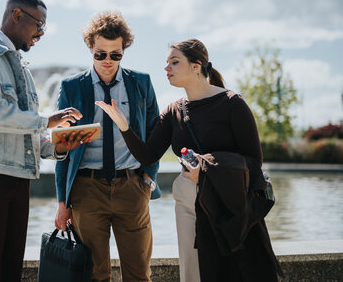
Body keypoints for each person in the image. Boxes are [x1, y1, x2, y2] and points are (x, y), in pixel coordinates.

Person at [96, 39, 283, 281]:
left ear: (196, 66)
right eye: (166, 63)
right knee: (193, 271)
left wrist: (207, 170)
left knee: (232, 270)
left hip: (227, 200)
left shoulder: (232, 104)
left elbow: (254, 163)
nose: (167, 68)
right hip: (187, 199)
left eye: (174, 62)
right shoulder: (174, 110)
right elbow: (148, 155)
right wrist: (123, 125)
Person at [0, 0, 89, 282]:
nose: (41, 33)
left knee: (8, 270)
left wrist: (59, 146)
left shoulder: (21, 68)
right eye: (39, 25)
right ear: (16, 16)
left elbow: (23, 130)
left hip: (15, 179)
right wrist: (46, 120)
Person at [54, 11, 161, 282]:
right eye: (100, 54)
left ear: (124, 51)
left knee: (139, 275)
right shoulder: (71, 87)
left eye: (116, 55)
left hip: (132, 187)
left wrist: (147, 180)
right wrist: (62, 202)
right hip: (86, 190)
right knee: (94, 275)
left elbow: (154, 135)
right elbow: (63, 150)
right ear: (90, 48)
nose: (107, 61)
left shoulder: (142, 83)